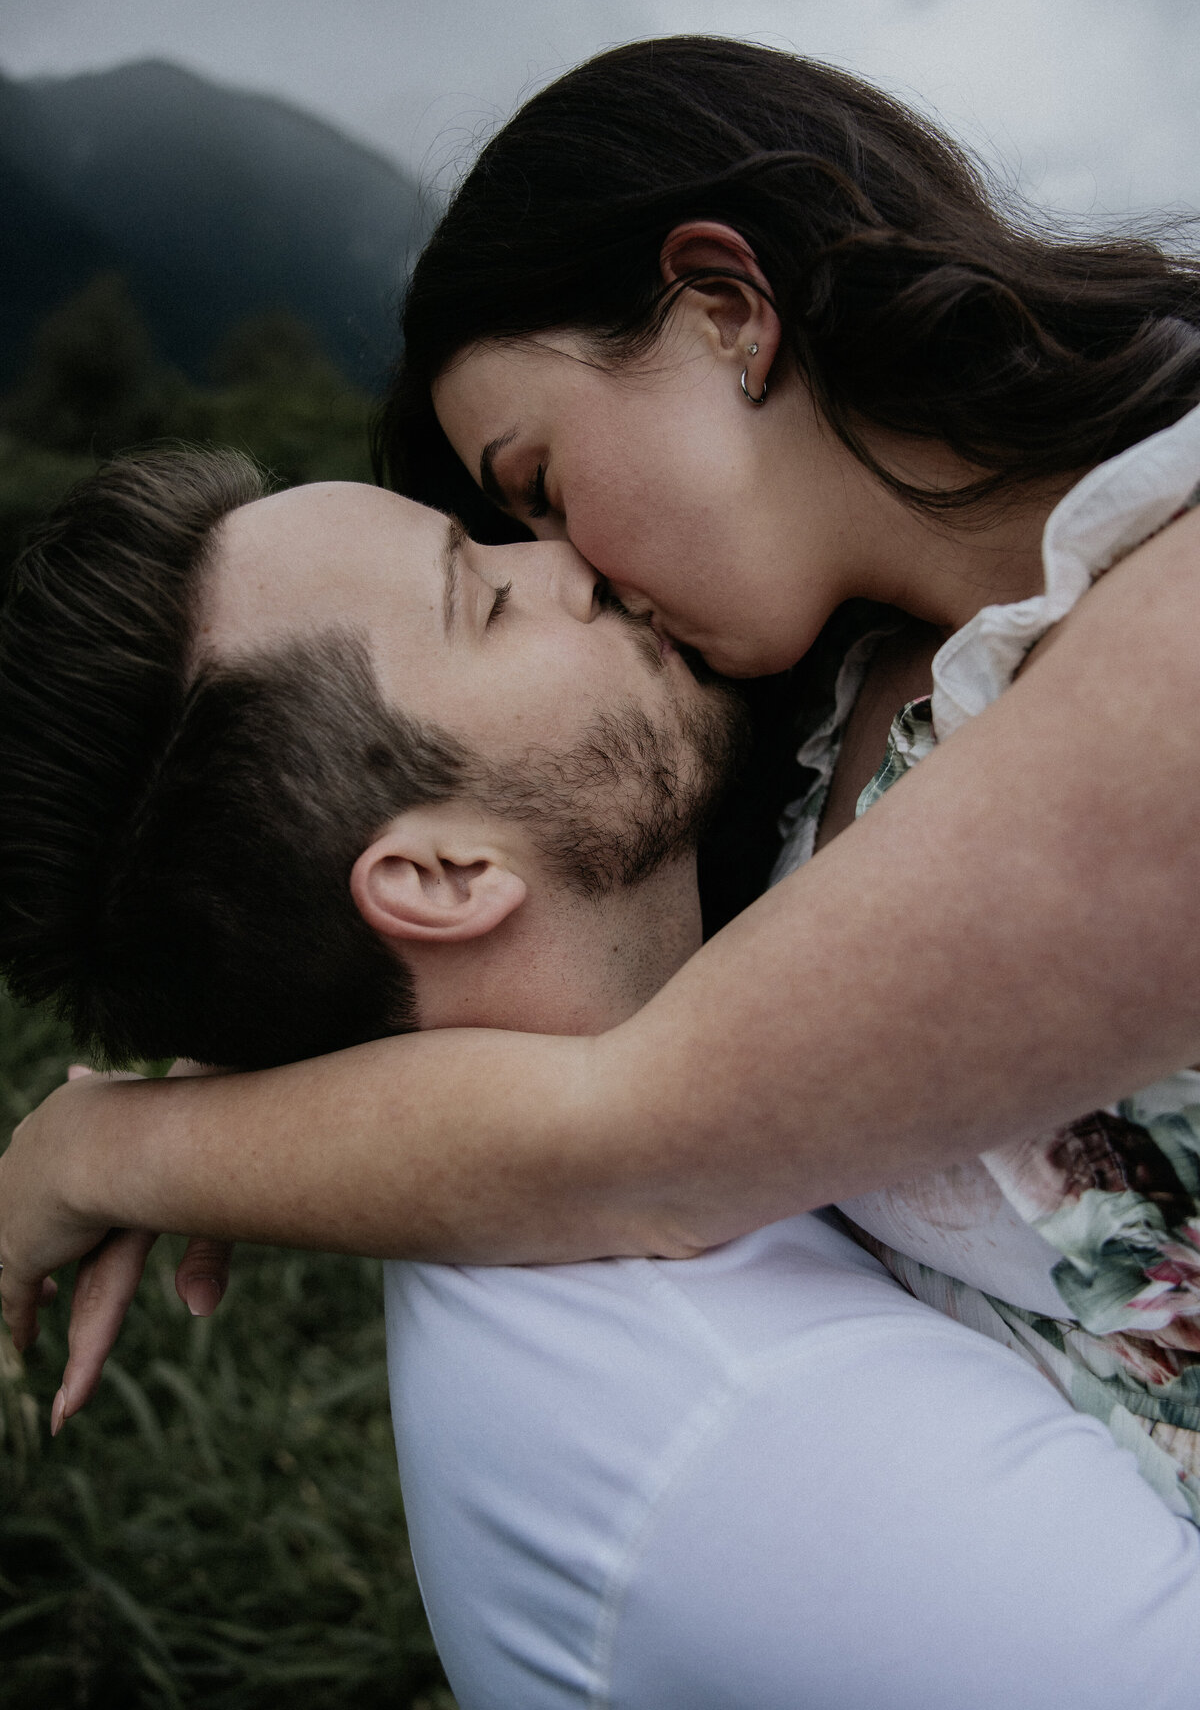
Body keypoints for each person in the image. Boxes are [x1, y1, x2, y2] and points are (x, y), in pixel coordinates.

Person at [6, 32, 1200, 1469]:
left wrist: (101, 1150)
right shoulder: (837, 719)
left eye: (537, 484)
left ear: (722, 314)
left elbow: (635, 1135)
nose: (571, 568)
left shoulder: (1172, 598)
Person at [2, 448, 1200, 1710]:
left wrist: (144, 1131)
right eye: (486, 598)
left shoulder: (608, 1100)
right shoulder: (747, 1444)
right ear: (445, 878)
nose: (573, 563)